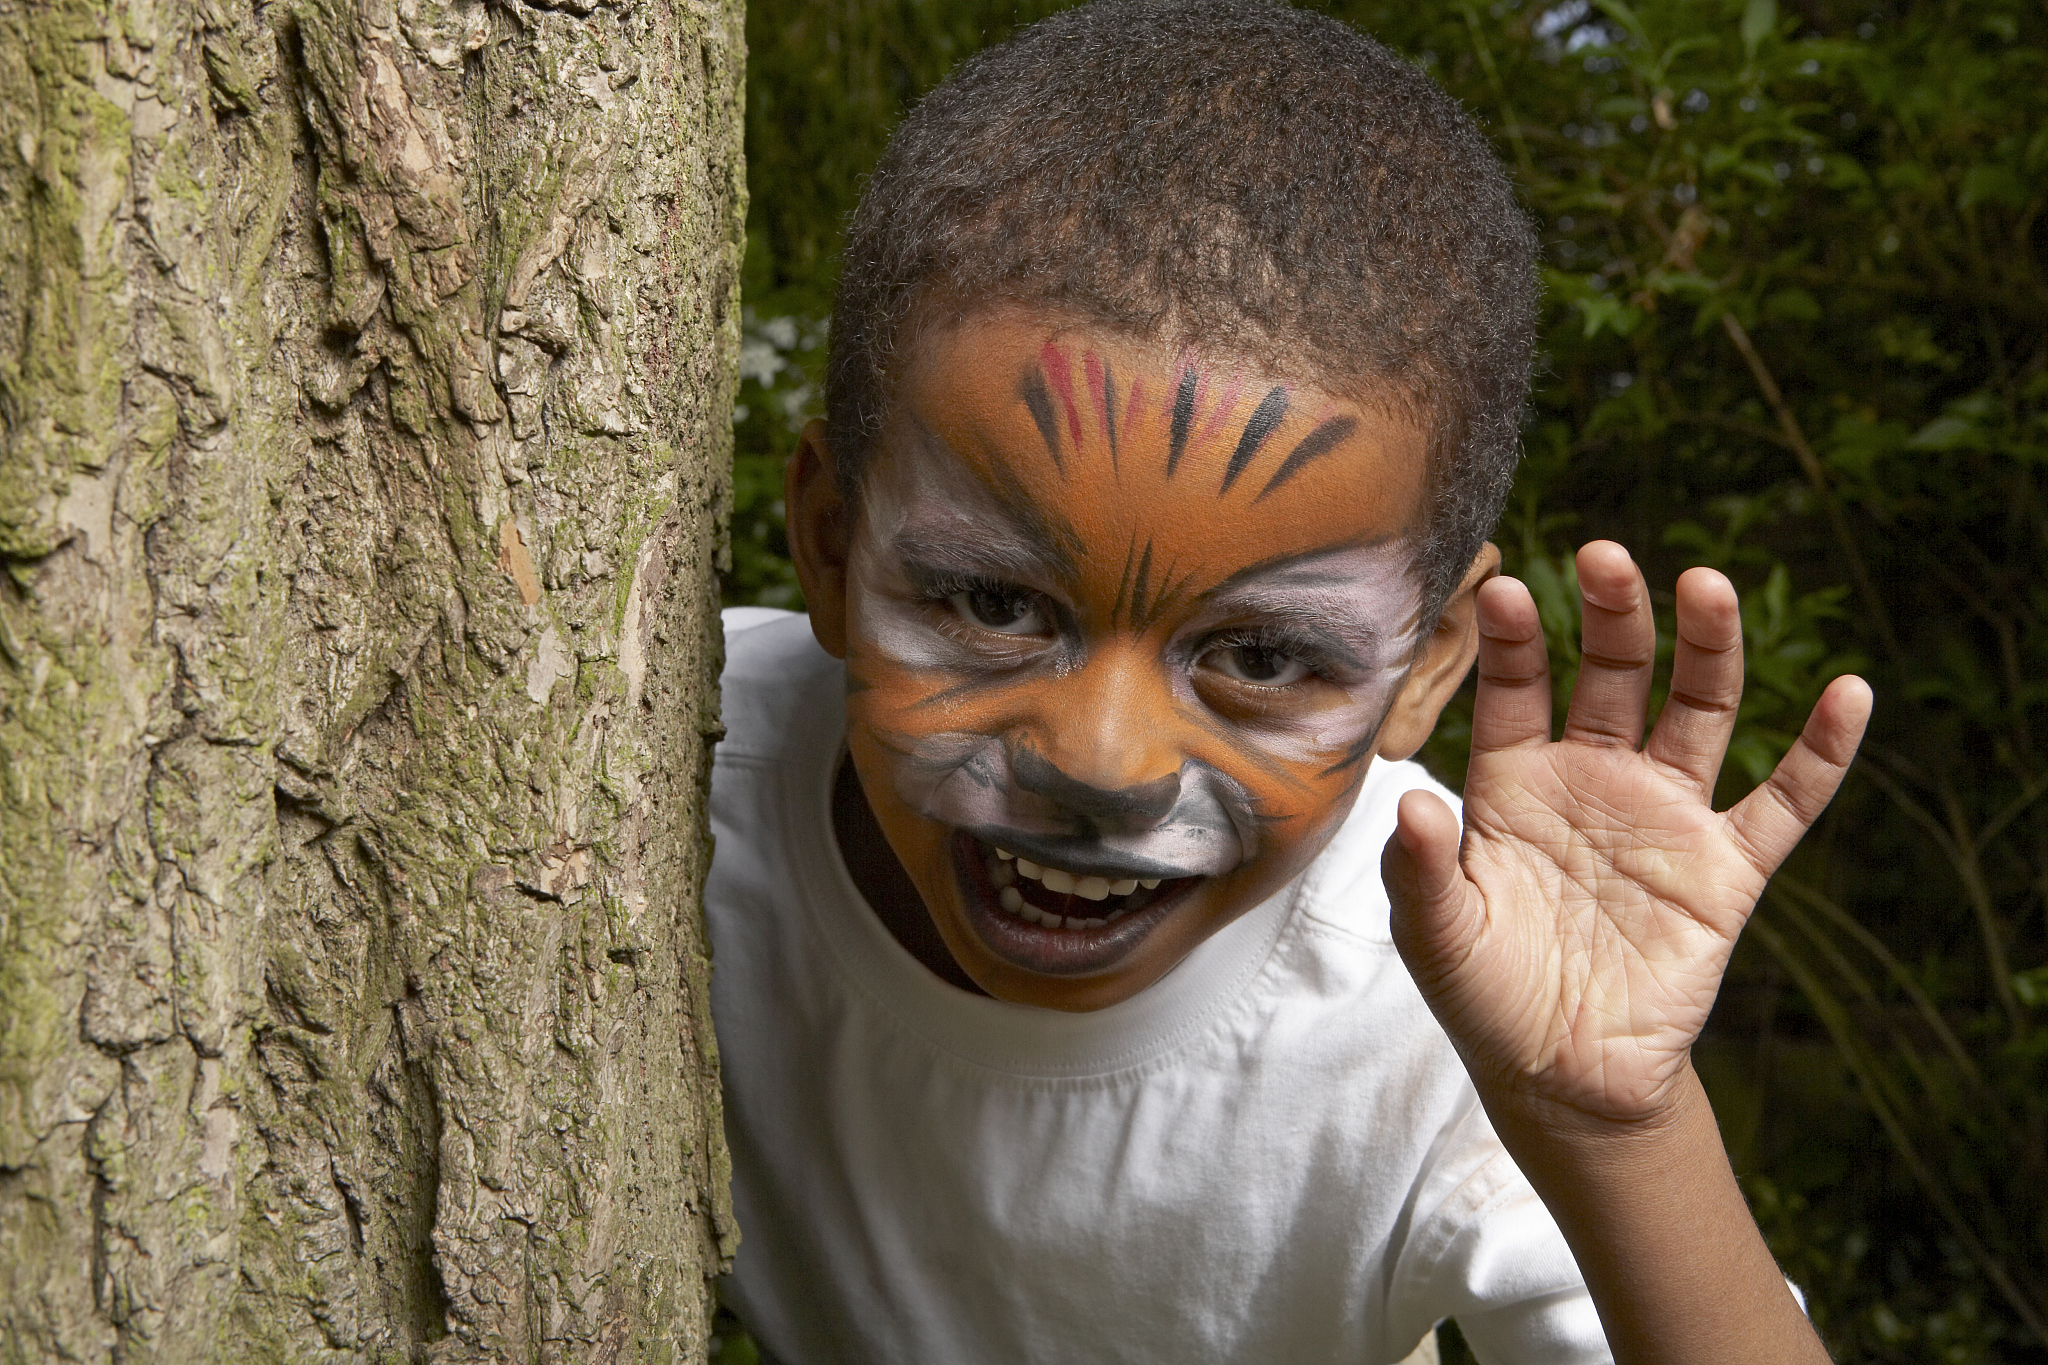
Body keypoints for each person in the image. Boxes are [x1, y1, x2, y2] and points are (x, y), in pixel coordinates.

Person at [706, 1, 1872, 1360]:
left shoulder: (1440, 988)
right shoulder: (649, 786)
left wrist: (1613, 1123)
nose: (1102, 760)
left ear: (1423, 667)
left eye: (1260, 656)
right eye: (995, 603)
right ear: (834, 550)